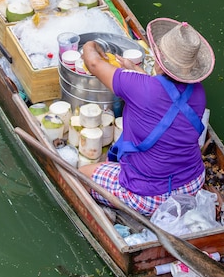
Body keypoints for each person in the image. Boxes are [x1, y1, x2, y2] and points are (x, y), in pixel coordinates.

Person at [79, 18, 216, 216]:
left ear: (158, 57)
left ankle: (110, 214)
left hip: (147, 196)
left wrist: (91, 44)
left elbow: (93, 62)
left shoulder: (137, 86)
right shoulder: (198, 92)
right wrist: (137, 73)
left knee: (81, 174)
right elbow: (166, 96)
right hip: (191, 185)